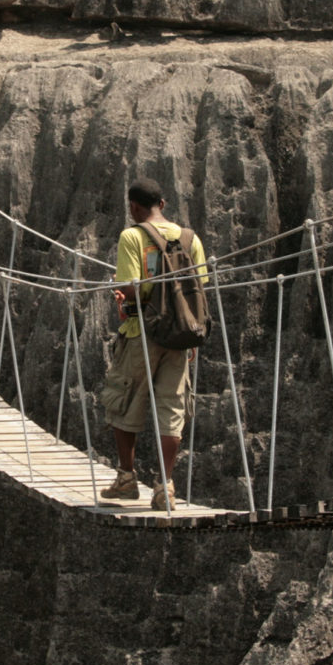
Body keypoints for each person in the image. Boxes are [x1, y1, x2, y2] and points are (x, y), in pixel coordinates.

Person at [99, 177, 207, 510]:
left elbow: (131, 288)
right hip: (179, 336)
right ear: (163, 204)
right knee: (172, 409)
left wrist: (123, 292)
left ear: (134, 207)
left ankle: (127, 478)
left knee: (124, 400)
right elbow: (200, 285)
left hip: (141, 332)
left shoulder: (132, 236)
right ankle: (165, 485)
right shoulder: (190, 239)